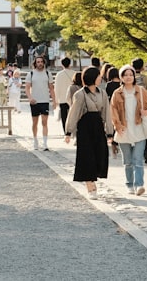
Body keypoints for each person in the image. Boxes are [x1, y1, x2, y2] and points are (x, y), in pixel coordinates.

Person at [64, 67, 114, 199]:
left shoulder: (102, 93)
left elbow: (107, 114)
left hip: (98, 127)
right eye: (98, 76)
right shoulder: (80, 94)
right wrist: (68, 131)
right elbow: (73, 113)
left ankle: (93, 180)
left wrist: (110, 132)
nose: (100, 78)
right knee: (87, 157)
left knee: (100, 155)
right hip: (85, 127)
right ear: (93, 77)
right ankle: (90, 186)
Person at [110, 64, 147, 196]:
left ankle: (139, 184)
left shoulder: (141, 91)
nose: (128, 77)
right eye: (125, 75)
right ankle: (129, 184)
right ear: (121, 77)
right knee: (128, 161)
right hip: (123, 130)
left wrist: (146, 111)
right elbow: (113, 112)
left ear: (134, 76)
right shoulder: (117, 93)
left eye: (131, 74)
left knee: (138, 159)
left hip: (139, 128)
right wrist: (117, 126)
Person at [26, 55, 56, 151]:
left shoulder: (47, 73)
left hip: (45, 101)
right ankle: (35, 140)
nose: (39, 63)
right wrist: (30, 97)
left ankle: (45, 143)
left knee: (44, 122)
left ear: (44, 63)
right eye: (38, 62)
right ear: (35, 63)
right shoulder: (31, 74)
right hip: (35, 101)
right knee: (35, 122)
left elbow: (51, 88)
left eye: (41, 62)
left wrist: (54, 101)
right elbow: (26, 88)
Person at [132, 58, 147, 163]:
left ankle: (136, 150)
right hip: (144, 109)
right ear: (142, 67)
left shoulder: (128, 79)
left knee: (134, 129)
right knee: (146, 129)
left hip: (132, 108)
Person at [53, 56, 76, 134]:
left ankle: (66, 131)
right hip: (73, 98)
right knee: (73, 115)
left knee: (64, 116)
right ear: (70, 64)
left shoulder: (59, 75)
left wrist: (56, 100)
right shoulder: (74, 73)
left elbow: (56, 88)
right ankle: (72, 130)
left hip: (62, 98)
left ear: (62, 64)